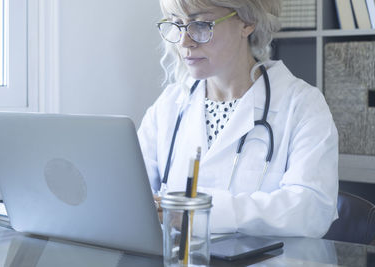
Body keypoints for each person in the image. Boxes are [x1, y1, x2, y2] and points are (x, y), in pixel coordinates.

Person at [138, 0, 339, 237]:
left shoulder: (302, 105)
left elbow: (311, 210)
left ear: (247, 22)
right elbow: (133, 190)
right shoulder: (170, 104)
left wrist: (199, 212)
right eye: (177, 24)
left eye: (201, 25)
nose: (184, 42)